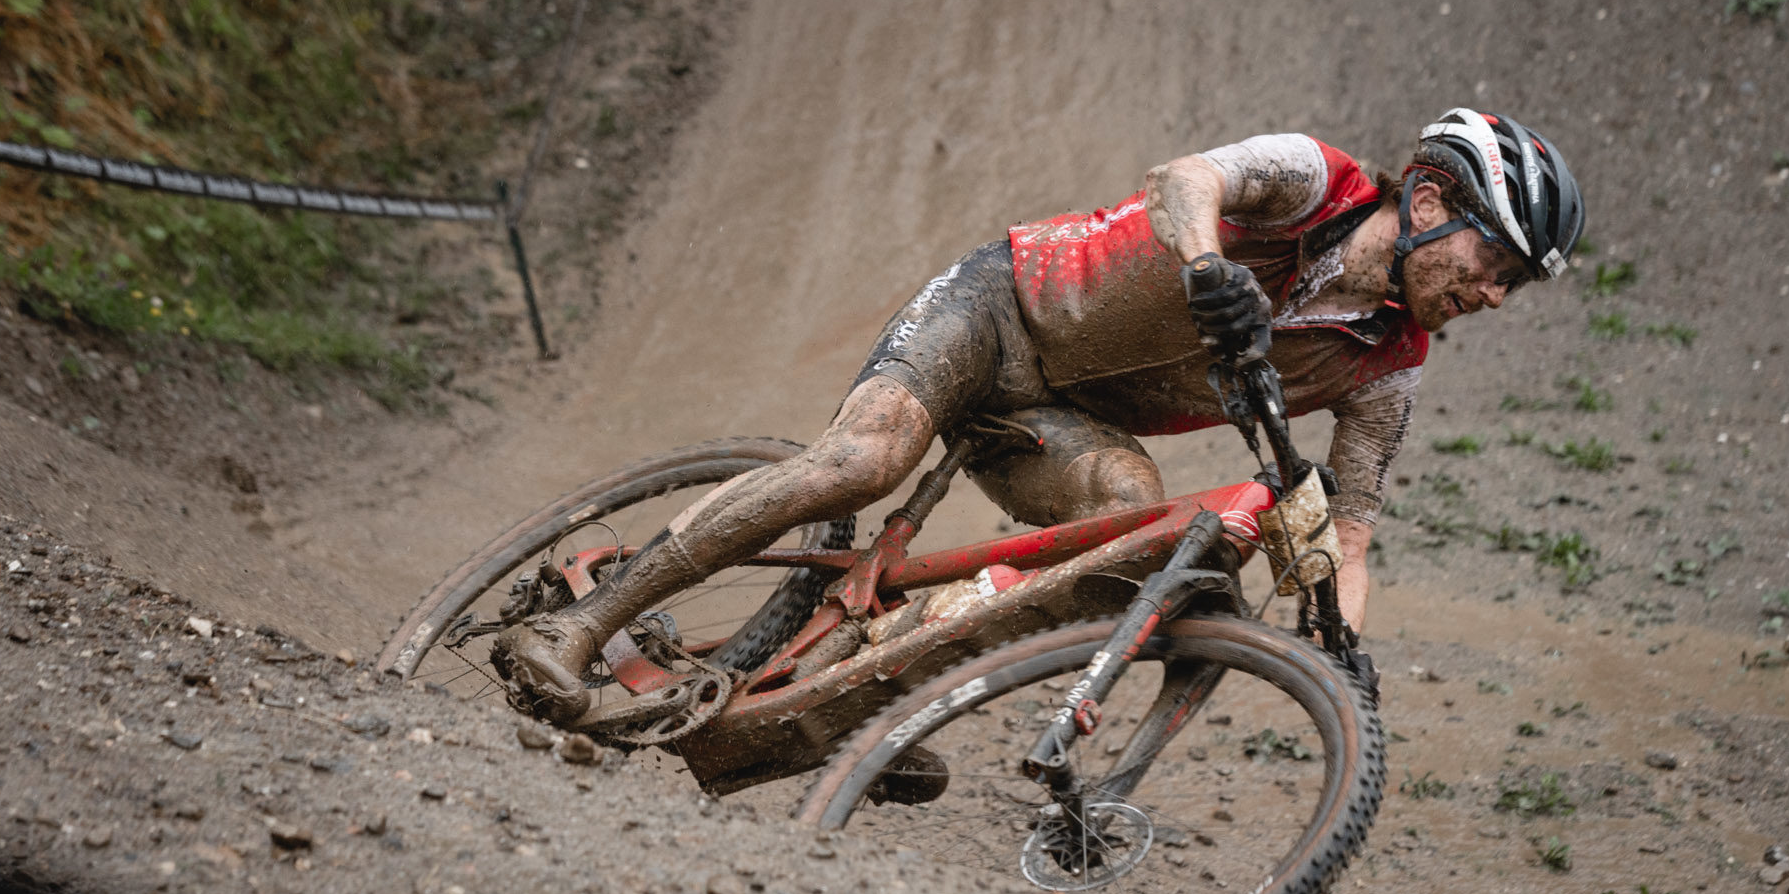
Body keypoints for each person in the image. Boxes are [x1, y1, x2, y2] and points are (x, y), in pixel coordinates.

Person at [495, 107, 1586, 723]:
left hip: (1057, 411)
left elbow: (1346, 529)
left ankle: (844, 694)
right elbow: (1182, 177)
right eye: (1495, 263)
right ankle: (573, 628)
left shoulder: (1388, 367)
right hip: (999, 307)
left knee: (1128, 523)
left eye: (1514, 287)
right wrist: (1206, 264)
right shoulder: (1314, 180)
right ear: (1431, 202)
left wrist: (1339, 637)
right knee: (863, 460)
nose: (1491, 296)